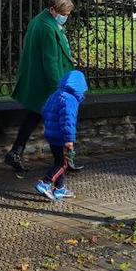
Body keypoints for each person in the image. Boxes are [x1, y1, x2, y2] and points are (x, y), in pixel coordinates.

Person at [4, 0, 76, 175]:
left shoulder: (43, 20)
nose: (66, 17)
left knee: (35, 116)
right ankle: (63, 161)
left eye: (68, 14)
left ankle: (15, 152)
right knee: (58, 122)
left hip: (39, 82)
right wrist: (59, 88)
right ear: (53, 10)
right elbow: (50, 60)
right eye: (64, 13)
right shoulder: (47, 27)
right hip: (47, 84)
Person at [35, 69, 88, 201]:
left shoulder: (56, 94)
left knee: (59, 161)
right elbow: (68, 122)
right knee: (63, 164)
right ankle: (45, 183)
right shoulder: (70, 100)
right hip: (61, 137)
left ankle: (60, 188)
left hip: (51, 134)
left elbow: (44, 110)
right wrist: (69, 140)